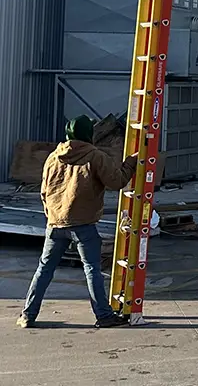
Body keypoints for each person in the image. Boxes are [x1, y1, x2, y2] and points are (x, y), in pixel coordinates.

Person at [18, 115, 138, 329]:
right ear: (88, 134)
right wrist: (131, 163)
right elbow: (117, 181)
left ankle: (28, 315)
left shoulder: (54, 156)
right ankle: (103, 315)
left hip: (55, 223)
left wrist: (52, 215)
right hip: (83, 224)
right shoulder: (95, 156)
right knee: (91, 269)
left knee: (44, 269)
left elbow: (44, 191)